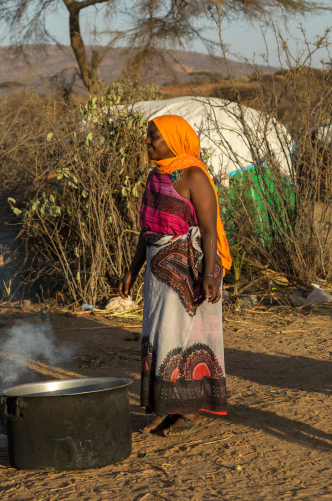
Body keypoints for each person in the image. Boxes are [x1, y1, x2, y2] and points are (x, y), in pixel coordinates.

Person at [119, 114, 232, 436]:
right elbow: (147, 230)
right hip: (158, 270)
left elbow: (209, 231)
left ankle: (189, 411)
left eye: (154, 135)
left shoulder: (194, 175)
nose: (148, 141)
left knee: (186, 337)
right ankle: (164, 407)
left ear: (174, 139)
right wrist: (132, 269)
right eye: (148, 135)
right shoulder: (156, 177)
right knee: (157, 337)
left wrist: (209, 273)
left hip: (190, 267)